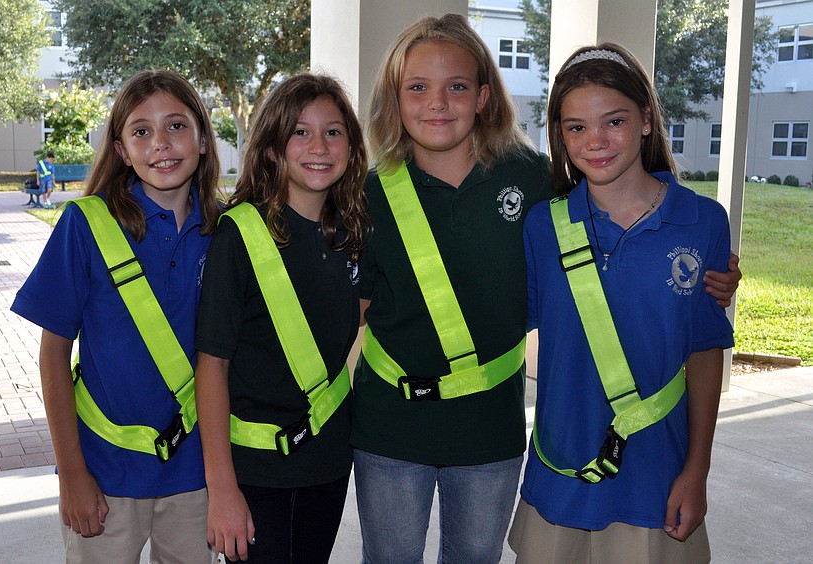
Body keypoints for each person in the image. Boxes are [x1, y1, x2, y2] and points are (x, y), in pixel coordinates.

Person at [353, 14, 741, 564]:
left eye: (456, 87)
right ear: (395, 98)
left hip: (492, 430)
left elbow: (623, 216)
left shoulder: (532, 182)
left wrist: (709, 276)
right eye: (418, 87)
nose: (437, 103)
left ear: (484, 96)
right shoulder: (368, 194)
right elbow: (346, 299)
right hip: (389, 427)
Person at [508, 43, 735, 563]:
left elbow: (704, 351)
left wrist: (697, 469)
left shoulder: (702, 222)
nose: (596, 142)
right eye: (575, 127)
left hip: (657, 478)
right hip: (560, 476)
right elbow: (499, 317)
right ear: (560, 137)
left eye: (614, 121)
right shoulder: (544, 226)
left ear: (647, 120)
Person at [10, 70, 221, 563]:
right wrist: (72, 474)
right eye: (141, 131)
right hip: (102, 472)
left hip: (195, 474)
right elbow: (54, 355)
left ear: (204, 139)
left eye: (176, 126)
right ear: (123, 150)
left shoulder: (225, 229)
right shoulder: (84, 225)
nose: (161, 144)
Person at [194, 73, 369, 563]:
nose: (319, 145)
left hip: (328, 461)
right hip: (254, 470)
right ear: (272, 149)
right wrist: (222, 488)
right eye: (300, 132)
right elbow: (212, 365)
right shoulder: (240, 234)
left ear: (352, 148)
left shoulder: (353, 232)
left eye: (333, 132)